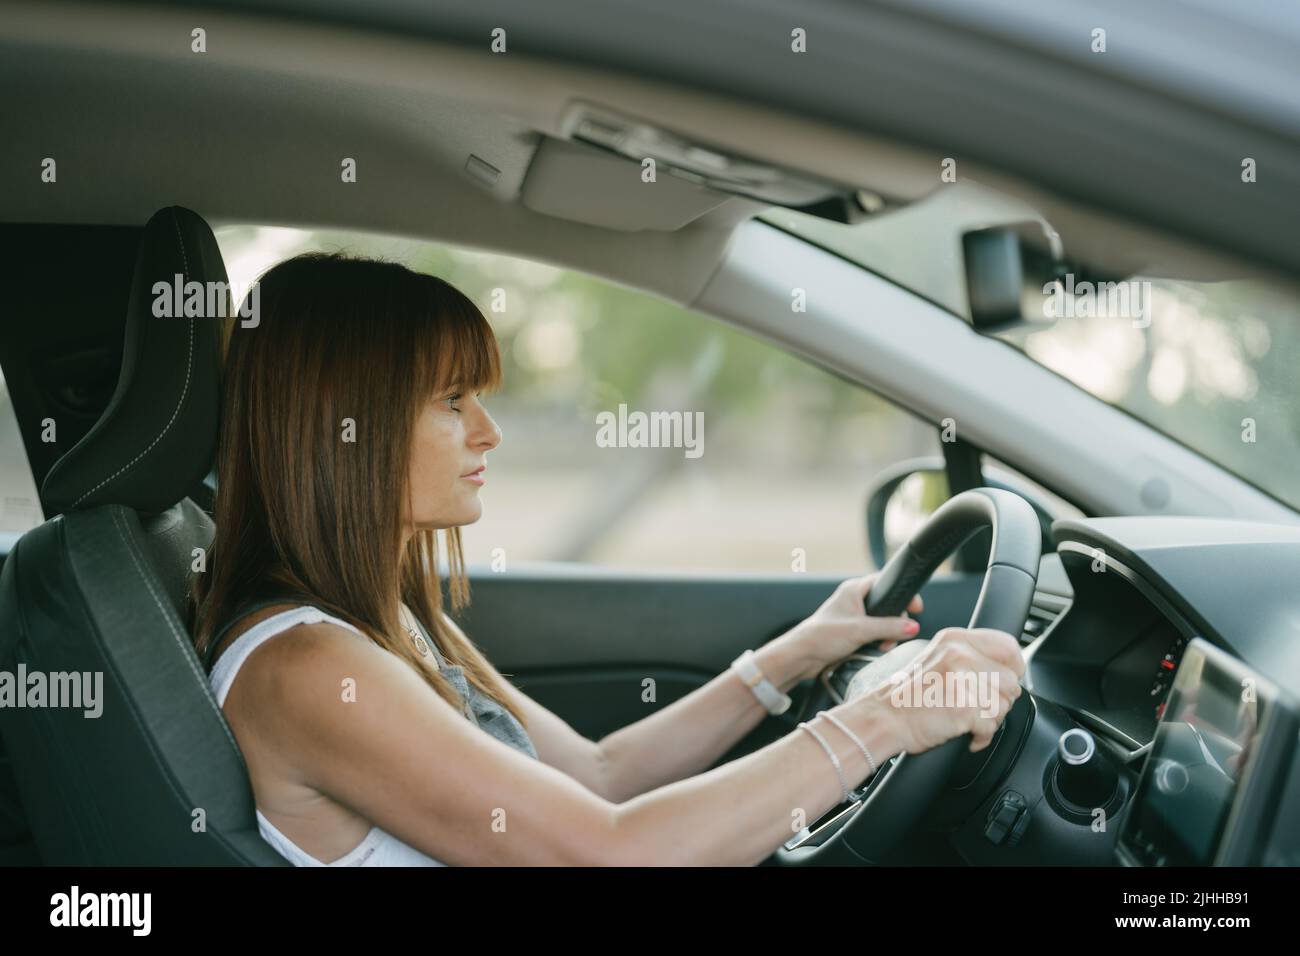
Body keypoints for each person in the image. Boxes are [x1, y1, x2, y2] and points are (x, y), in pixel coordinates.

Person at [188, 252, 1024, 866]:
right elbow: (610, 855)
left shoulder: (384, 621)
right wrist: (887, 717)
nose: (489, 431)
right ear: (348, 427)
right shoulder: (305, 667)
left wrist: (798, 650)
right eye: (452, 400)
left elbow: (599, 774)